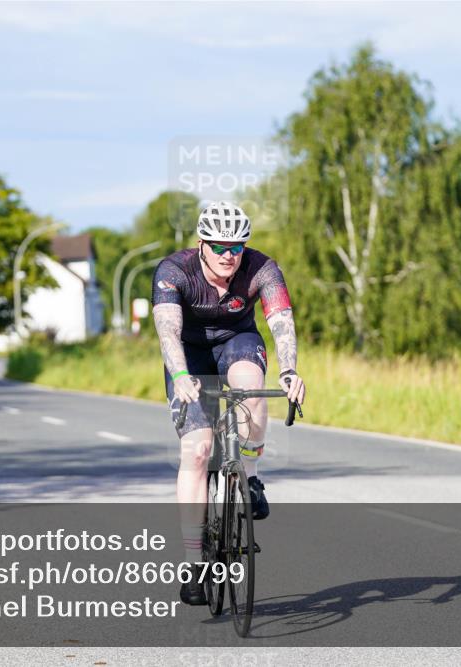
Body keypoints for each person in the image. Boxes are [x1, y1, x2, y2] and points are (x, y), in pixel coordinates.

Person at [151, 201, 306, 606]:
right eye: (219, 246)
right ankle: (193, 563)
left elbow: (281, 322)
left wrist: (289, 372)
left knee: (252, 391)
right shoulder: (173, 271)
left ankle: (250, 476)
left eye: (236, 247)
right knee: (198, 449)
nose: (228, 256)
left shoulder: (262, 269)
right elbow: (168, 333)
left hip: (238, 341)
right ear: (202, 243)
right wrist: (182, 376)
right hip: (190, 353)